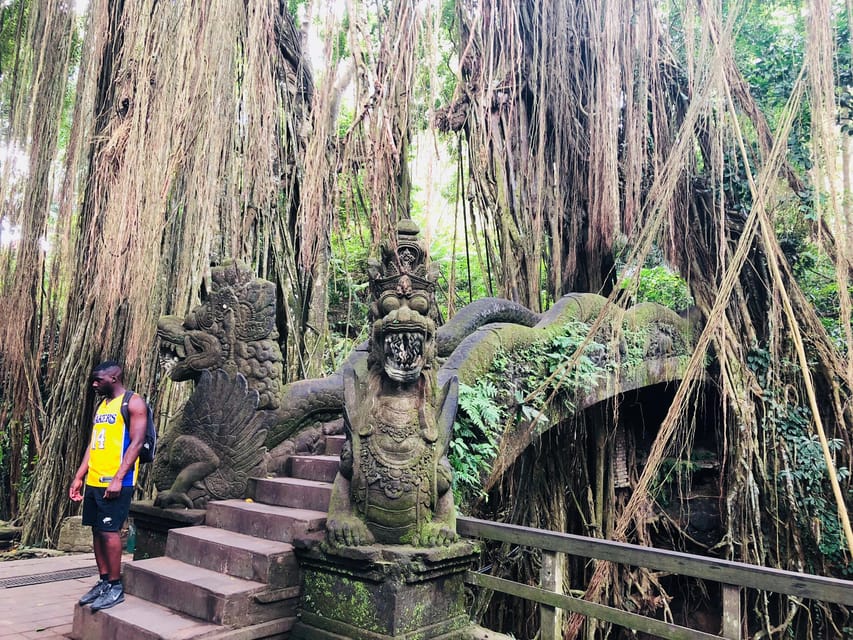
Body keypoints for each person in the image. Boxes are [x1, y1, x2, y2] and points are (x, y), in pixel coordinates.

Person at [68, 360, 147, 611]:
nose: (94, 384)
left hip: (116, 482)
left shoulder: (133, 403)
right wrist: (80, 476)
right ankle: (103, 581)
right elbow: (94, 444)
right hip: (94, 480)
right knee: (96, 531)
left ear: (113, 378)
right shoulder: (102, 406)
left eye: (98, 380)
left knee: (110, 531)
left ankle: (115, 585)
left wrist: (117, 478)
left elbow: (136, 443)